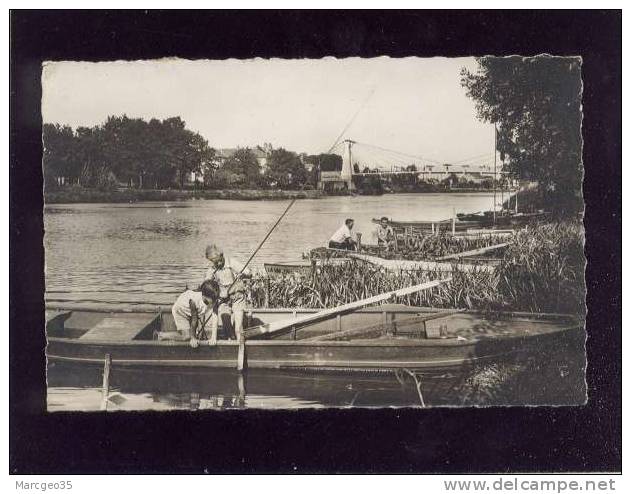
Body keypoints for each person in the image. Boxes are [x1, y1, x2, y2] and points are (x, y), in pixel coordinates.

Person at [204, 244, 251, 340]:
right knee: (227, 328)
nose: (219, 264)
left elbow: (249, 273)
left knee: (238, 329)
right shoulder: (211, 270)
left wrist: (243, 275)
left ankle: (239, 345)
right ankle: (230, 341)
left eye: (220, 260)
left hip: (237, 297)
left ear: (221, 255)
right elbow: (206, 286)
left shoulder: (231, 262)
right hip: (223, 300)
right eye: (215, 263)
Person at [163, 279, 220, 347]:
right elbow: (194, 320)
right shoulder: (194, 301)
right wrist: (193, 338)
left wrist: (213, 337)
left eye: (215, 299)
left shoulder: (214, 298)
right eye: (213, 299)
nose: (214, 302)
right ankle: (161, 336)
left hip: (194, 312)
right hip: (181, 311)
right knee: (187, 337)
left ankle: (195, 336)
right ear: (204, 296)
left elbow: (215, 317)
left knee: (197, 334)